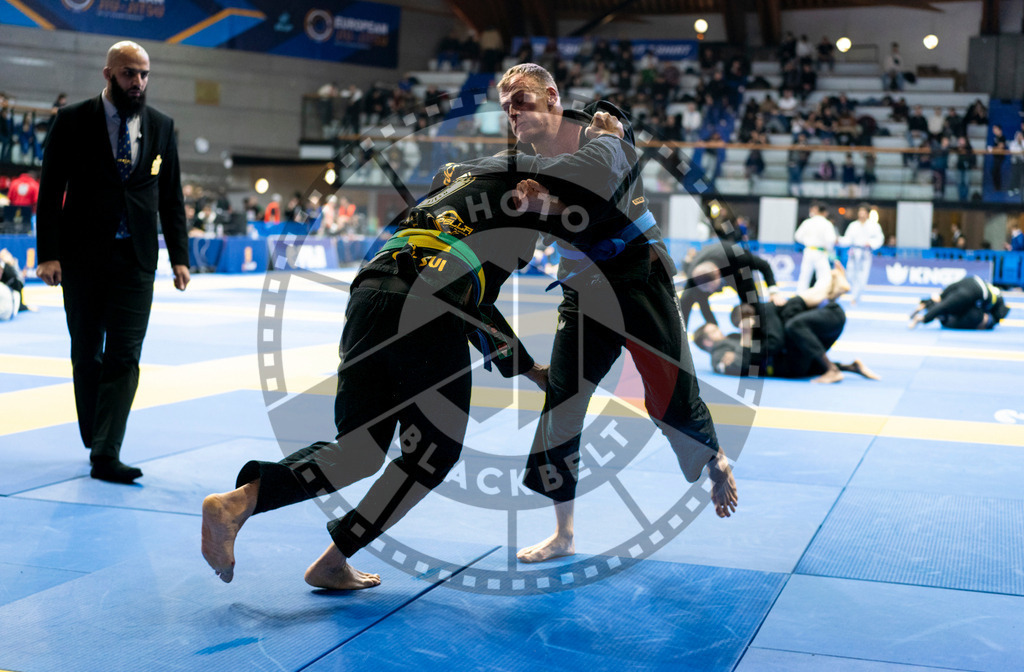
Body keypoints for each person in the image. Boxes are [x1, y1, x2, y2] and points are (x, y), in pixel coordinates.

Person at [201, 116, 631, 589]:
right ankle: (331, 555)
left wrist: (527, 368)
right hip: (428, 303)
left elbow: (474, 301)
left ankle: (238, 503)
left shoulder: (460, 178)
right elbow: (480, 300)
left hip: (372, 290)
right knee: (433, 454)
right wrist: (609, 140)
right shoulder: (527, 186)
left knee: (359, 450)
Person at [496, 63, 737, 565]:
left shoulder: (604, 129)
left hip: (636, 277)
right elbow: (536, 219)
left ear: (552, 96)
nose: (514, 112)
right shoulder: (526, 160)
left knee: (668, 390)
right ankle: (563, 533)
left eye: (521, 99)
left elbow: (593, 183)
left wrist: (536, 194)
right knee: (561, 404)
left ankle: (712, 458)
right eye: (506, 107)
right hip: (582, 289)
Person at [35, 41, 190, 484]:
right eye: (128, 74)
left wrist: (180, 256)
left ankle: (106, 451)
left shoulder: (161, 126)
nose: (137, 82)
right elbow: (50, 190)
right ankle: (95, 432)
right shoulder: (72, 121)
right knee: (87, 354)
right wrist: (48, 254)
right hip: (82, 258)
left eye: (143, 74)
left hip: (137, 259)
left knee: (125, 355)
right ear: (108, 74)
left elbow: (171, 196)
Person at [695, 264, 879, 384]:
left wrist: (748, 334)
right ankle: (831, 292)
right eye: (713, 331)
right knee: (786, 314)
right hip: (783, 364)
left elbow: (760, 348)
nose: (718, 330)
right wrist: (746, 333)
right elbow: (741, 364)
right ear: (707, 342)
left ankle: (831, 292)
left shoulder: (732, 337)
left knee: (787, 313)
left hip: (787, 359)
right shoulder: (718, 354)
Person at [679, 241, 781, 329]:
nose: (711, 292)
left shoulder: (736, 256)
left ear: (718, 274)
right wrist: (713, 325)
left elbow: (764, 265)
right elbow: (703, 304)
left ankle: (759, 333)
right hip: (706, 271)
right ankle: (680, 344)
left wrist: (773, 292)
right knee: (684, 301)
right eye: (708, 291)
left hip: (736, 272)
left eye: (713, 288)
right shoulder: (693, 277)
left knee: (752, 302)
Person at [909, 276, 1009, 330]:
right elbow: (943, 305)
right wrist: (925, 319)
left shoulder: (997, 299)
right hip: (974, 290)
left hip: (973, 281)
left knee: (943, 299)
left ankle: (925, 305)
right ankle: (924, 314)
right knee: (944, 304)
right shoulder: (997, 305)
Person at [839, 204, 884, 304]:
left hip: (865, 253)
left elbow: (879, 239)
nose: (861, 214)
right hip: (854, 252)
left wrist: (871, 243)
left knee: (862, 277)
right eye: (860, 212)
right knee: (850, 275)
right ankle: (853, 293)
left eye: (863, 213)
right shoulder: (853, 225)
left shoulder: (874, 226)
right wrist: (839, 240)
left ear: (867, 214)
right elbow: (847, 239)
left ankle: (855, 297)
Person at [794, 202, 837, 293]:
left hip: (808, 250)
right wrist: (829, 250)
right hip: (820, 252)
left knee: (804, 276)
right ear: (825, 212)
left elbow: (797, 236)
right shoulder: (827, 223)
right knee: (824, 276)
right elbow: (830, 240)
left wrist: (807, 242)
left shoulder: (808, 222)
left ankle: (800, 296)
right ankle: (820, 295)